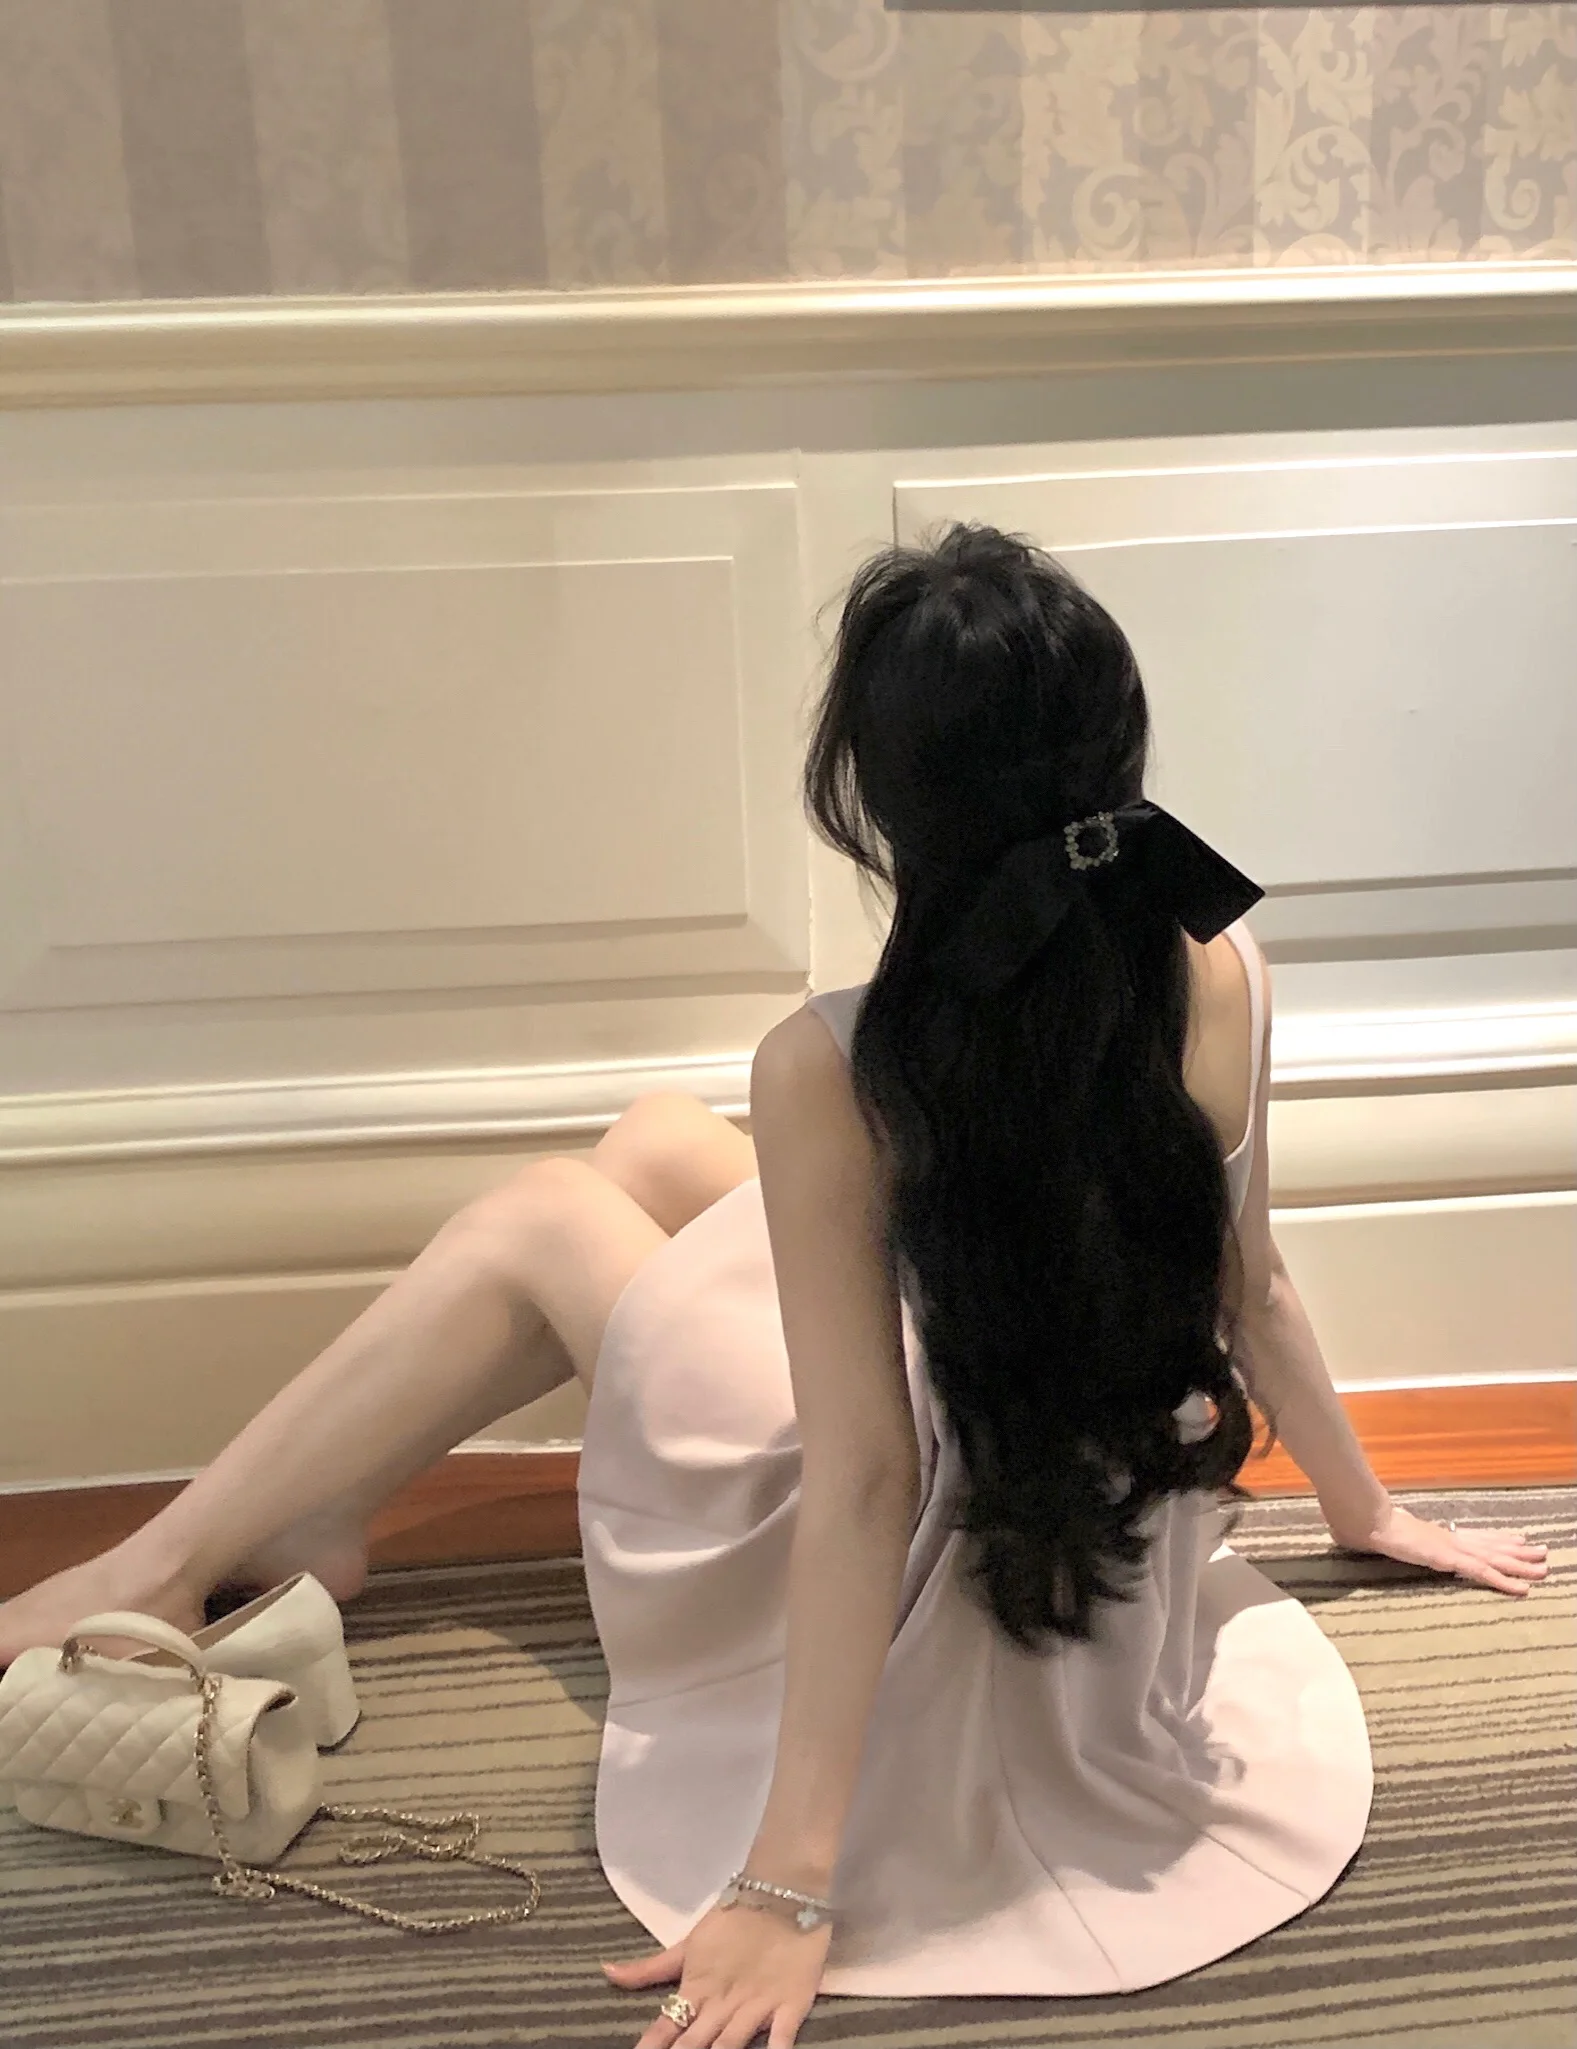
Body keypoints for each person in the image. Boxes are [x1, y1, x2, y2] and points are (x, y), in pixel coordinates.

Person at [0, 525, 1548, 2049]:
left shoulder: (837, 1064)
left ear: (883, 802)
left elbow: (868, 1482)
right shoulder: (1220, 957)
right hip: (1095, 1512)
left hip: (962, 1546)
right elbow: (1253, 1286)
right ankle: (321, 1512)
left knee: (546, 1217)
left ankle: (165, 1561)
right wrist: (1362, 1505)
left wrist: (791, 1881)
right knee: (655, 1142)